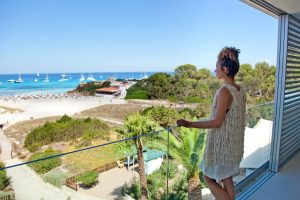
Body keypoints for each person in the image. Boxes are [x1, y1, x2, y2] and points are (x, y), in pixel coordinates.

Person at [177, 46, 246, 200]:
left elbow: (217, 122)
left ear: (225, 69)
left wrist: (190, 124)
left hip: (221, 146)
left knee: (208, 178)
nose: (215, 70)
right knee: (227, 178)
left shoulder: (225, 91)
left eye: (216, 67)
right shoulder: (240, 90)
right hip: (234, 144)